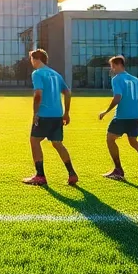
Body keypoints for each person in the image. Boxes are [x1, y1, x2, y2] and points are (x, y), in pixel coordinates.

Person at [97, 55, 138, 181]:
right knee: (134, 142)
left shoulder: (117, 79)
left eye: (112, 66)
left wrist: (106, 111)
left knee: (110, 139)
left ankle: (118, 170)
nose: (112, 69)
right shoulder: (134, 79)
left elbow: (117, 97)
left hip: (122, 116)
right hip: (135, 116)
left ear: (118, 64)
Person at [24, 48, 78, 186]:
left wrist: (35, 113)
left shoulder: (37, 73)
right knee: (57, 143)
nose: (31, 62)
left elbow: (38, 95)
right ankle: (72, 173)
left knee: (34, 141)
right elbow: (67, 92)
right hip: (57, 115)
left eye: (31, 59)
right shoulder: (55, 74)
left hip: (44, 115)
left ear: (36, 59)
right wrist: (66, 113)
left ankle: (40, 176)